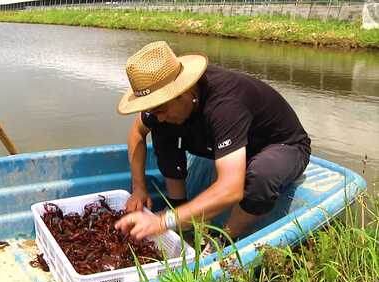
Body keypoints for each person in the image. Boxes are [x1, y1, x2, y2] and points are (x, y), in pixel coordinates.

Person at [114, 41, 311, 247]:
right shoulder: (163, 107)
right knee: (162, 129)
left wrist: (163, 221)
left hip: (280, 146)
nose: (159, 116)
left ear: (187, 90)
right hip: (232, 145)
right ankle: (180, 212)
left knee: (262, 176)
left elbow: (231, 189)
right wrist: (139, 188)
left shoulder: (225, 104)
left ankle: (224, 239)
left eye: (162, 109)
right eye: (154, 110)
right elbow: (137, 132)